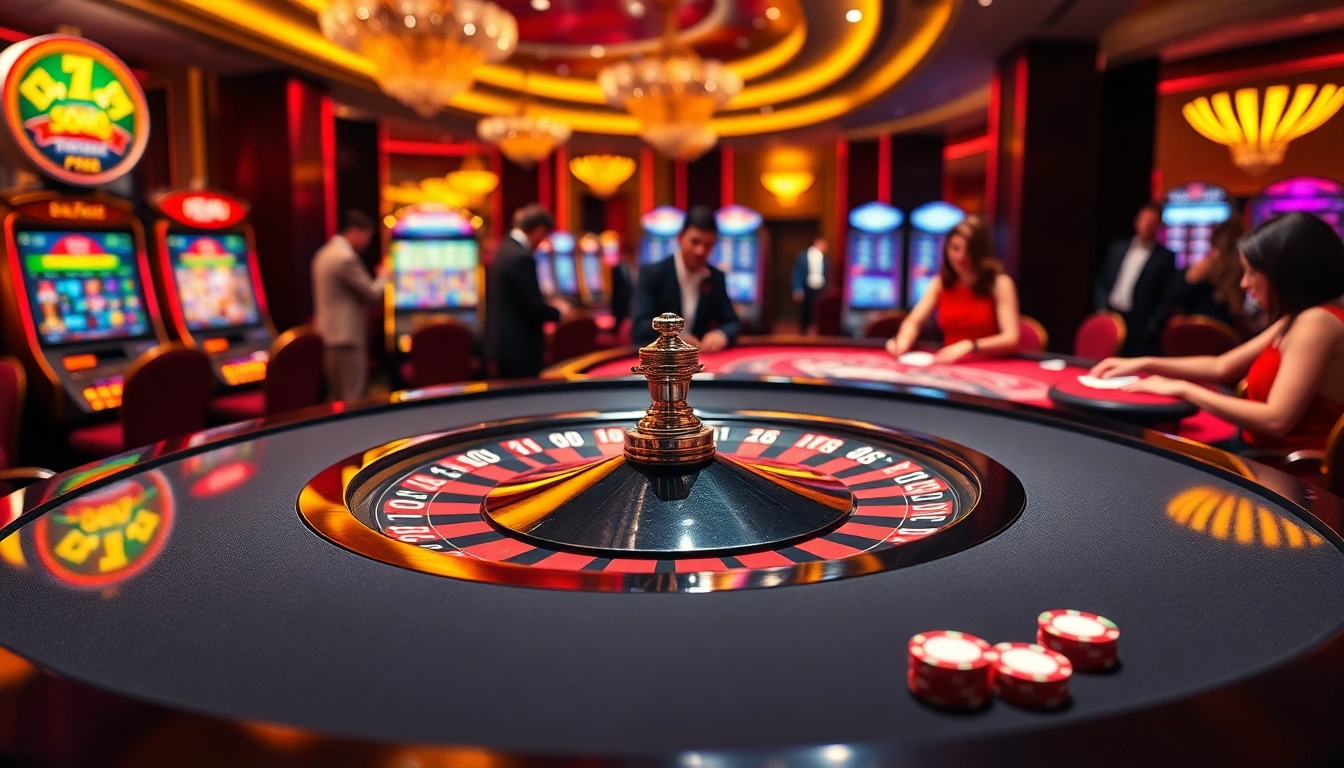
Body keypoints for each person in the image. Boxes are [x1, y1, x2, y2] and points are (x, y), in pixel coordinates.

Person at [1091, 212, 1344, 453]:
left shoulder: (1317, 322)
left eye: (1253, 272)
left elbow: (1276, 420)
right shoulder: (1298, 317)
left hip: (1287, 473)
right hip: (1258, 451)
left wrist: (1182, 389)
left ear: (1289, 273)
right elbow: (1220, 366)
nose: (1244, 283)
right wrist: (1143, 363)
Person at [886, 215, 1020, 363]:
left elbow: (1011, 339)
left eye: (969, 251)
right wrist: (903, 341)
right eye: (955, 248)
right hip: (950, 365)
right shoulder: (941, 282)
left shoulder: (1000, 283)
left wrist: (969, 346)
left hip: (988, 365)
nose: (961, 257)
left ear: (980, 252)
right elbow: (913, 322)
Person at [632, 205, 741, 350]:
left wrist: (721, 334)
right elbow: (640, 327)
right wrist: (674, 338)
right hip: (662, 362)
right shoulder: (652, 274)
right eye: (695, 242)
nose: (700, 250)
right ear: (680, 238)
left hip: (699, 360)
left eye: (708, 245)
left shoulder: (716, 277)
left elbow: (732, 323)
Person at [485, 205, 570, 378]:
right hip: (518, 348)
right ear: (539, 230)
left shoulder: (505, 248)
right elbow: (533, 307)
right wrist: (561, 313)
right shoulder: (521, 257)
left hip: (504, 345)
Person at [312, 209, 385, 403]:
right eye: (367, 236)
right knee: (354, 398)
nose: (367, 242)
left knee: (337, 397)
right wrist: (385, 274)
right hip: (347, 338)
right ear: (355, 231)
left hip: (329, 336)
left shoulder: (324, 253)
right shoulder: (345, 258)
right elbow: (373, 294)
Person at [1094, 203, 1179, 356]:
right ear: (1136, 222)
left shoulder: (1166, 257)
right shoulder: (1117, 248)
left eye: (1152, 222)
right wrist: (1101, 308)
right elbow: (1103, 281)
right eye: (1144, 220)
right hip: (1112, 315)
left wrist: (1153, 325)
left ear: (1159, 226)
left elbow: (1168, 297)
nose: (1146, 225)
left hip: (1140, 324)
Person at [1175, 217, 1245, 327]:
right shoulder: (1243, 268)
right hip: (1227, 334)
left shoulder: (1207, 264)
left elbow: (1176, 298)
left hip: (1198, 332)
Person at [792, 238, 829, 334]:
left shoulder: (826, 258)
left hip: (821, 289)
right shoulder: (803, 256)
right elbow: (797, 273)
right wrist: (797, 288)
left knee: (820, 312)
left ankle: (819, 332)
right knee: (805, 311)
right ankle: (804, 332)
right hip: (806, 287)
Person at [610, 246, 638, 333]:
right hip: (620, 304)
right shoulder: (617, 268)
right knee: (619, 327)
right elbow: (615, 290)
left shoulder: (633, 267)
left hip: (631, 303)